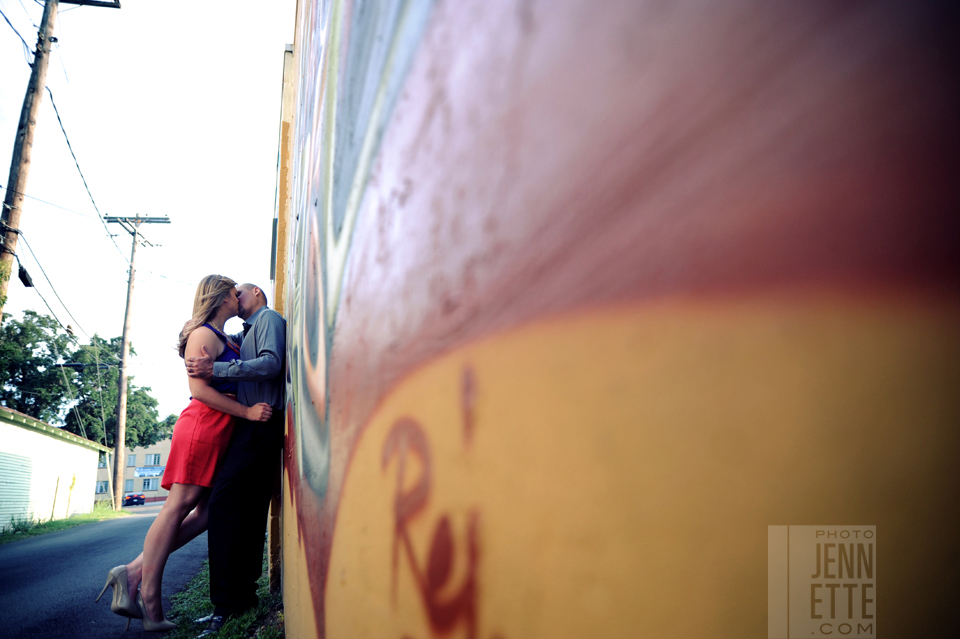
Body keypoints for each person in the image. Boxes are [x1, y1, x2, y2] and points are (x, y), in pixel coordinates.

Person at [95, 275, 273, 632]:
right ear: (221, 297)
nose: (238, 297)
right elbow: (200, 391)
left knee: (205, 513)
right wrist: (248, 412)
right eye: (234, 292)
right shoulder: (202, 334)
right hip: (203, 426)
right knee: (178, 506)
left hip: (220, 430)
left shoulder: (224, 336)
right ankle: (151, 602)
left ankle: (133, 571)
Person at [184, 283, 286, 637]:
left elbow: (271, 364)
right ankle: (239, 598)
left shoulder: (268, 318)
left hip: (262, 423)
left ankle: (227, 605)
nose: (235, 298)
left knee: (224, 505)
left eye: (238, 292)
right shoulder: (245, 333)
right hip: (251, 425)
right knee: (245, 510)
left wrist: (217, 370)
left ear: (256, 292)